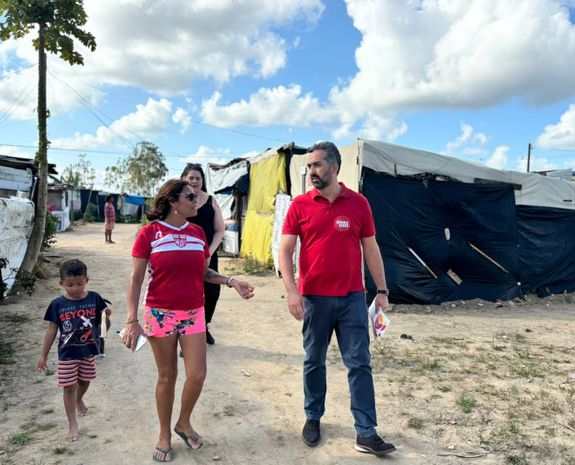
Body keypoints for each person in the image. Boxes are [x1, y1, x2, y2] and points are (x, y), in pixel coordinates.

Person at [120, 179, 254, 463]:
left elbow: (204, 273)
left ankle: (184, 422)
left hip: (193, 313)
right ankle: (164, 434)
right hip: (160, 313)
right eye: (190, 196)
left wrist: (231, 281)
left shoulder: (197, 233)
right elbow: (135, 279)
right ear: (173, 202)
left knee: (198, 374)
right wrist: (132, 319)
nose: (197, 200)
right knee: (167, 376)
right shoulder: (150, 234)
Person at [279, 141, 396, 456]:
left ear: (334, 167)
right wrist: (292, 291)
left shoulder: (359, 204)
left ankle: (366, 432)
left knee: (360, 364)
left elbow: (371, 248)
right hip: (314, 299)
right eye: (309, 166)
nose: (311, 171)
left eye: (316, 165)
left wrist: (382, 291)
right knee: (313, 361)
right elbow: (286, 250)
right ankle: (313, 417)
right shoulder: (300, 205)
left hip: (352, 300)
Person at [37, 259, 112, 443]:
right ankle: (72, 424)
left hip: (88, 350)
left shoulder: (94, 298)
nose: (75, 288)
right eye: (70, 285)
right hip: (67, 353)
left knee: (85, 381)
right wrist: (43, 355)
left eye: (80, 283)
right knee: (68, 387)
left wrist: (106, 317)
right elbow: (52, 330)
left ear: (87, 279)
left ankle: (79, 399)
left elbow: (104, 327)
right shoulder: (57, 304)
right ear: (61, 283)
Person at [180, 163, 225, 345]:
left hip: (208, 254)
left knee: (212, 291)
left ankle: (203, 326)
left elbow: (220, 229)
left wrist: (209, 252)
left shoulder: (210, 200)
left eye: (198, 178)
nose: (195, 181)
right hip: (184, 255)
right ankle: (187, 334)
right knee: (187, 293)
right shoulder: (179, 202)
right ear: (183, 179)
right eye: (191, 177)